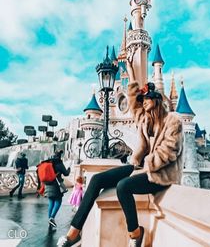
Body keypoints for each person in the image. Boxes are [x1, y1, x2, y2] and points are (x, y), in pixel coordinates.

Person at [57, 55, 183, 247]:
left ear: (155, 100)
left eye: (146, 99)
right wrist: (131, 70)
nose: (143, 102)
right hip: (141, 167)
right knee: (97, 180)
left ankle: (135, 234)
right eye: (142, 100)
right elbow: (132, 101)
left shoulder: (172, 121)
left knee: (123, 186)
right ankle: (74, 231)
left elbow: (168, 153)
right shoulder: (145, 120)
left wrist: (143, 167)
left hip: (160, 174)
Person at [45, 149, 71, 229]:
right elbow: (66, 173)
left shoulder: (48, 162)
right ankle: (52, 218)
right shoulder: (59, 163)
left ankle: (50, 221)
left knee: (51, 202)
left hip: (47, 184)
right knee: (58, 201)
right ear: (59, 156)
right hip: (56, 185)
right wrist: (69, 169)